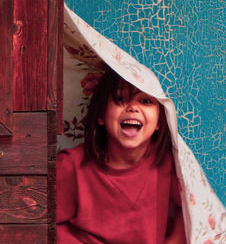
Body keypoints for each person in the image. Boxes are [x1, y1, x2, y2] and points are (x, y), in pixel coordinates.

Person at [57, 67, 187, 244]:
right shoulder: (71, 165)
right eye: (120, 99)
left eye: (146, 101)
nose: (133, 107)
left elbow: (190, 209)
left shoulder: (169, 166)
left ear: (159, 123)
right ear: (101, 115)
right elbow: (41, 222)